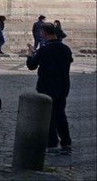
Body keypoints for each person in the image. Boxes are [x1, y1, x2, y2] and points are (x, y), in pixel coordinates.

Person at [25, 22, 73, 155]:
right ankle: (66, 142)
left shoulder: (45, 50)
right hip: (63, 86)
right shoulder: (65, 49)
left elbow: (32, 65)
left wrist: (30, 54)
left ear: (44, 33)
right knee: (60, 114)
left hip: (47, 86)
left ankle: (52, 143)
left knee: (49, 116)